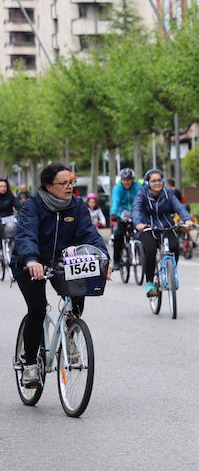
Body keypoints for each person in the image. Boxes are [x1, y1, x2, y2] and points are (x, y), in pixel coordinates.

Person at [12, 163, 109, 388]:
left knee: (77, 297)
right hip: (29, 263)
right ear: (48, 186)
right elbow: (26, 235)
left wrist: (104, 259)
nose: (69, 186)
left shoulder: (77, 205)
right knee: (37, 309)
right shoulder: (32, 206)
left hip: (62, 262)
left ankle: (70, 330)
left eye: (71, 182)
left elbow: (90, 234)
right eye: (63, 183)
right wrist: (32, 259)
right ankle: (29, 365)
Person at [132, 169, 193, 297]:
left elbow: (179, 207)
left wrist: (187, 219)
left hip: (166, 226)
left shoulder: (168, 193)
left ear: (163, 181)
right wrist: (138, 223)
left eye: (159, 180)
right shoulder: (141, 194)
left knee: (175, 246)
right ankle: (149, 283)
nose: (157, 183)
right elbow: (136, 209)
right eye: (153, 181)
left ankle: (172, 272)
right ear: (148, 182)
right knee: (151, 250)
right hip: (147, 227)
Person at [109, 168, 140, 271]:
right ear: (121, 180)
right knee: (118, 235)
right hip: (122, 213)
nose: (126, 182)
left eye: (128, 180)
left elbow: (141, 199)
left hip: (135, 212)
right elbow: (116, 201)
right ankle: (117, 261)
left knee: (142, 232)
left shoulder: (138, 187)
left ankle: (141, 253)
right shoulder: (118, 188)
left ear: (132, 180)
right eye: (124, 180)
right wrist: (113, 213)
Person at [0, 178, 20, 243]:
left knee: (13, 227)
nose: (3, 188)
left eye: (5, 186)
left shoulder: (11, 196)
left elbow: (18, 206)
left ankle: (12, 248)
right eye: (1, 186)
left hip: (9, 219)